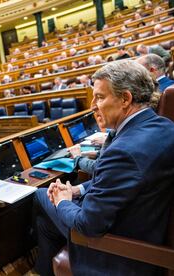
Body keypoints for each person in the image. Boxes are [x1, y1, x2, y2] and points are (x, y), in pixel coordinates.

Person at [32, 60, 174, 276]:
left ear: (126, 98)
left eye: (99, 97)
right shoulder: (166, 126)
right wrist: (77, 190)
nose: (92, 106)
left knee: (41, 195)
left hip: (119, 251)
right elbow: (121, 179)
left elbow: (88, 224)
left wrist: (63, 200)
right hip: (146, 225)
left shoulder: (123, 152)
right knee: (46, 221)